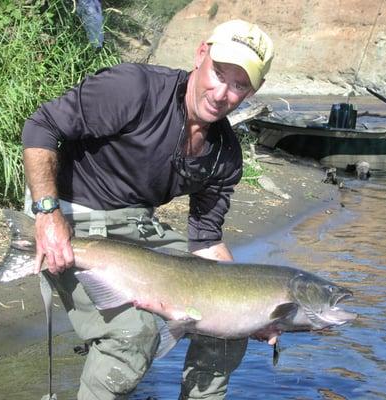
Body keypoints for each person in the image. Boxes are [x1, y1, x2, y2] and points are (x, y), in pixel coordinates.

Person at [22, 19, 274, 400]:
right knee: (133, 335)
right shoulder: (134, 89)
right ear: (200, 55)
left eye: (239, 85)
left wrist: (250, 311)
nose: (222, 93)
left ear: (254, 90)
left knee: (229, 329)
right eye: (219, 74)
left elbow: (206, 243)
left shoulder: (224, 155)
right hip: (70, 216)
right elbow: (41, 126)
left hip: (138, 230)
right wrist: (46, 212)